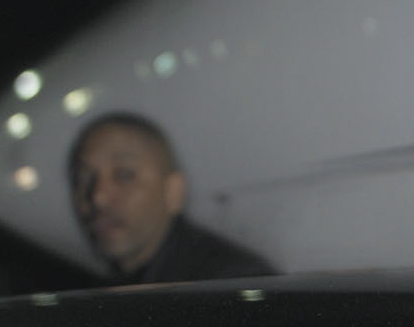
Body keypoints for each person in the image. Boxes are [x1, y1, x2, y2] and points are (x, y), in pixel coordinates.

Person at [66, 113, 276, 285]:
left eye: (124, 175)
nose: (98, 197)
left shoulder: (233, 285)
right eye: (82, 179)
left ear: (173, 192)